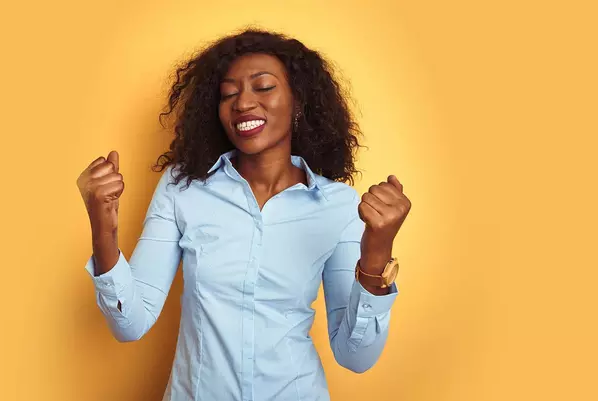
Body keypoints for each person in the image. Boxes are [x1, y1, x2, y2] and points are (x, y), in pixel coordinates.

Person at [75, 29, 411, 401]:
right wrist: (102, 228)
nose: (243, 103)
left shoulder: (339, 206)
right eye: (229, 94)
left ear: (298, 101)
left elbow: (355, 356)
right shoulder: (183, 188)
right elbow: (131, 324)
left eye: (263, 87)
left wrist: (378, 252)